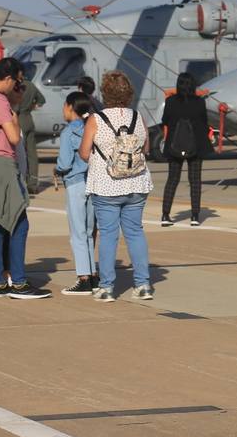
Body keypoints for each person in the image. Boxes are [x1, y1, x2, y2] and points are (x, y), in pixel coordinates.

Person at [0, 58, 51, 298]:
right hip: (2, 163)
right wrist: (13, 116)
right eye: (17, 80)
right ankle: (19, 282)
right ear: (8, 78)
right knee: (19, 221)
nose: (17, 86)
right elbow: (14, 137)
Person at [79, 70, 153, 302]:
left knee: (109, 234)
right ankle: (143, 284)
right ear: (129, 92)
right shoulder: (137, 117)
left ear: (105, 93)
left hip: (106, 185)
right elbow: (146, 149)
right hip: (136, 182)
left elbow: (83, 153)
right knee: (135, 232)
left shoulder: (96, 119)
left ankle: (107, 287)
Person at [54, 91, 96, 295]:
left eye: (64, 105)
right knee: (89, 232)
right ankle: (93, 274)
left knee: (77, 233)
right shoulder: (92, 127)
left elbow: (64, 162)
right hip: (93, 182)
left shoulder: (68, 132)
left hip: (75, 182)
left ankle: (83, 278)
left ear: (71, 107)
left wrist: (57, 170)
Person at [160, 72, 210, 226]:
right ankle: (195, 216)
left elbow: (165, 121)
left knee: (172, 179)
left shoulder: (170, 102)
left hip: (174, 144)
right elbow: (204, 121)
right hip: (195, 144)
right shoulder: (200, 103)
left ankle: (166, 215)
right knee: (195, 180)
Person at [15, 66, 46, 194]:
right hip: (29, 119)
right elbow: (42, 100)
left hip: (18, 120)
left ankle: (20, 180)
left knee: (19, 153)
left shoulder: (15, 88)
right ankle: (33, 183)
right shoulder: (31, 85)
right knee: (32, 153)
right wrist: (32, 106)